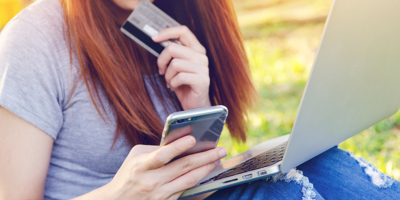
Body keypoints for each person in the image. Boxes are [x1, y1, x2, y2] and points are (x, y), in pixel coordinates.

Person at [0, 0, 399, 199]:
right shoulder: (36, 36)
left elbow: (199, 183)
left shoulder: (179, 17)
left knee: (322, 165)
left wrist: (197, 105)